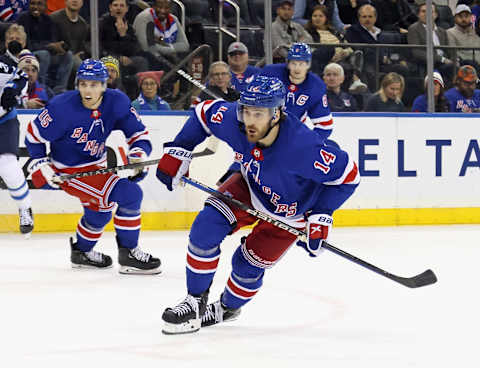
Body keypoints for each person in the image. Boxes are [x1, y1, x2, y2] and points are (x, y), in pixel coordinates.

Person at [155, 75, 360, 334]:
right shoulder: (235, 120)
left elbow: (349, 176)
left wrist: (321, 215)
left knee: (246, 266)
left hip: (290, 214)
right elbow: (202, 113)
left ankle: (227, 308)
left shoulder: (304, 147)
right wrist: (178, 149)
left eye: (259, 114)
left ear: (277, 114)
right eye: (246, 111)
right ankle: (194, 302)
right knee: (205, 228)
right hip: (249, 187)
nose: (250, 121)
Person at [24, 59, 162, 274]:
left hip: (97, 166)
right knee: (131, 194)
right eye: (83, 84)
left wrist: (137, 155)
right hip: (68, 172)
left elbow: (138, 134)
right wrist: (41, 163)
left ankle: (81, 252)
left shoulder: (116, 102)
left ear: (104, 85)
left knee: (100, 212)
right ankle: (129, 253)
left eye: (94, 84)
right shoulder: (61, 108)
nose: (88, 90)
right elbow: (33, 136)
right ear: (77, 84)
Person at [260, 43, 333, 141]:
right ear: (288, 63)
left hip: (290, 137)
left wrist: (306, 143)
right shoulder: (270, 74)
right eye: (294, 63)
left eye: (301, 64)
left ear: (308, 65)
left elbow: (325, 126)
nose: (297, 68)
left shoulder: (316, 86)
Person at [0, 51, 33, 235]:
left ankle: (25, 208)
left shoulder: (2, 67)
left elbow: (21, 77)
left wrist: (12, 89)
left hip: (4, 123)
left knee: (7, 165)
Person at [17, 0, 74, 94]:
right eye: (33, 3)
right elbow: (27, 45)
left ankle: (60, 90)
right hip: (27, 55)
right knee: (44, 55)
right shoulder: (23, 18)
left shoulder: (48, 20)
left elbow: (53, 39)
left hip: (47, 53)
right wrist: (48, 46)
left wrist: (60, 46)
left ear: (45, 6)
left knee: (68, 55)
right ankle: (39, 88)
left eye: (39, 4)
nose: (35, 7)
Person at [407, 2, 454, 86]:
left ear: (435, 15)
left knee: (469, 63)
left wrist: (455, 59)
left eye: (430, 11)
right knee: (452, 68)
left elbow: (449, 50)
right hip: (428, 64)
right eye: (423, 11)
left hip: (445, 63)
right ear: (418, 15)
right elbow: (417, 52)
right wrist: (442, 59)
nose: (426, 14)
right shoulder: (414, 29)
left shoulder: (442, 31)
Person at [447, 5, 480, 71]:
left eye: (466, 16)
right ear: (455, 18)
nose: (464, 19)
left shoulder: (477, 31)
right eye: (460, 16)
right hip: (465, 66)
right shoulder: (450, 32)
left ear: (471, 17)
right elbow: (452, 54)